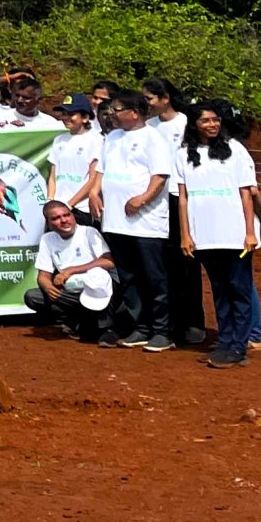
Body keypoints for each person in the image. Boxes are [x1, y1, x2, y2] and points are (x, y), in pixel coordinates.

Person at [175, 100, 259, 368]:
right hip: (205, 235)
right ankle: (224, 341)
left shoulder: (235, 150)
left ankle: (238, 346)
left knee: (239, 289)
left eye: (215, 120)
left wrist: (249, 232)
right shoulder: (184, 154)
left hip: (234, 234)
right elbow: (183, 198)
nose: (212, 125)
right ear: (194, 124)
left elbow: (246, 193)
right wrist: (185, 235)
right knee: (220, 290)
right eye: (205, 121)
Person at [99, 93, 178, 352]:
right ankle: (141, 327)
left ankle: (162, 330)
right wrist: (93, 193)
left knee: (154, 276)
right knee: (129, 277)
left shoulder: (154, 138)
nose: (112, 114)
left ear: (134, 112)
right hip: (115, 220)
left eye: (117, 109)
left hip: (146, 222)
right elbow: (102, 170)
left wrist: (142, 200)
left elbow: (160, 176)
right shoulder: (111, 137)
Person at [27, 200, 118, 344]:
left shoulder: (88, 232)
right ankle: (77, 322)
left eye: (66, 215)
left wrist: (71, 270)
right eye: (56, 218)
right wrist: (48, 287)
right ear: (48, 222)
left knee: (102, 280)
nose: (64, 220)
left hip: (96, 286)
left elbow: (108, 261)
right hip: (72, 292)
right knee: (33, 297)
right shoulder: (47, 239)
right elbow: (43, 276)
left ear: (73, 216)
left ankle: (106, 329)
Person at [47, 95, 103, 222]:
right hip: (58, 208)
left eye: (71, 114)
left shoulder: (96, 140)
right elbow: (53, 176)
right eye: (64, 113)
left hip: (81, 208)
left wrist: (70, 204)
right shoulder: (59, 140)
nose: (66, 118)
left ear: (85, 117)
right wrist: (50, 200)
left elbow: (93, 179)